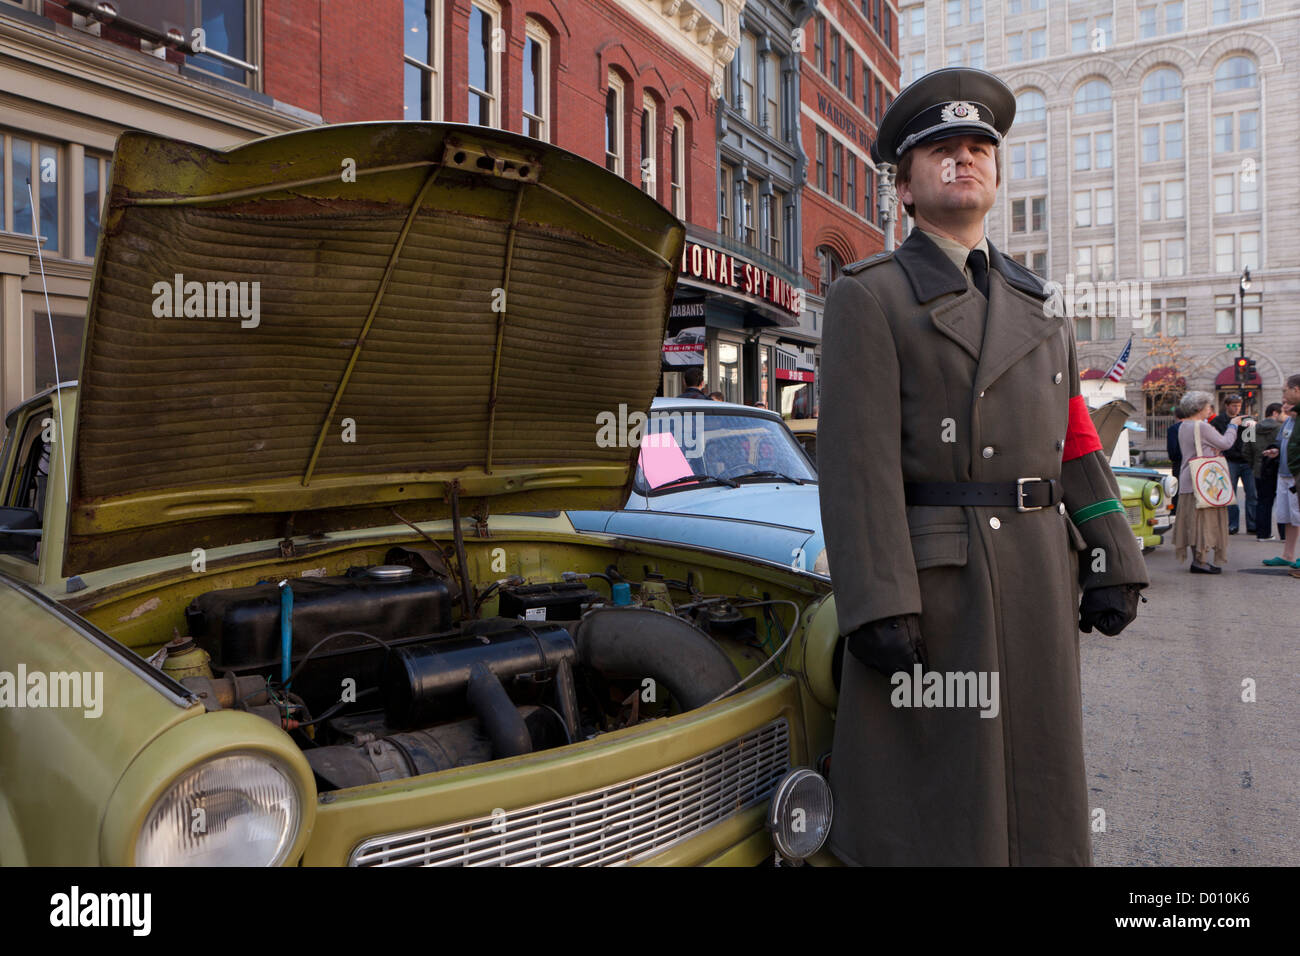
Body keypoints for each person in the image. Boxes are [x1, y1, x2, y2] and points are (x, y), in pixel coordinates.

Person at [817, 67, 1147, 867]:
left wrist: (1111, 554)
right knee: (941, 797)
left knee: (1036, 785)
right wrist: (875, 603)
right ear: (904, 185)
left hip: (1036, 573)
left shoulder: (1039, 306)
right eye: (939, 151)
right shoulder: (871, 297)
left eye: (977, 149)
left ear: (997, 175)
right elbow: (855, 465)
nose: (961, 162)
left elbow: (1075, 442)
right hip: (938, 588)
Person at [1172, 391, 1245, 573]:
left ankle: (1197, 560)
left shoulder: (1183, 426)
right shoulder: (1202, 427)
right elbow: (1226, 443)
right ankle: (1201, 561)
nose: (1210, 410)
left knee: (1192, 521)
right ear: (1199, 408)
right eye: (1208, 406)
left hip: (1189, 477)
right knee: (1204, 522)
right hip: (1204, 480)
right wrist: (1233, 426)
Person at [1263, 375, 1300, 567]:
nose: (1284, 404)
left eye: (1285, 395)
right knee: (1287, 516)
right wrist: (1275, 451)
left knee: (1298, 515)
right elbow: (1283, 443)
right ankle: (1288, 555)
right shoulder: (1287, 423)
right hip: (1283, 474)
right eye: (1282, 403)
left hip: (1296, 475)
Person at [1212, 393, 1256, 534]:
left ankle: (1252, 525)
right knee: (1231, 494)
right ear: (1227, 406)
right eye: (1234, 405)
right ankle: (1233, 524)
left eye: (1239, 405)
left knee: (1251, 494)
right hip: (1229, 460)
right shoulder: (1219, 421)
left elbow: (1251, 441)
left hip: (1247, 462)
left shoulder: (1247, 420)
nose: (1237, 408)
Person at [1250, 402, 1284, 541]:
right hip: (1277, 469)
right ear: (1275, 413)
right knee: (1282, 503)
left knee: (1262, 502)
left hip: (1259, 469)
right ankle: (1284, 534)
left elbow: (1246, 450)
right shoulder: (1281, 428)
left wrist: (1254, 464)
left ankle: (1262, 534)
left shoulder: (1252, 429)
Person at [1166, 404, 1187, 516]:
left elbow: (1172, 449)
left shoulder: (1173, 429)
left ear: (1176, 415)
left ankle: (1176, 511)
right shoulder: (1192, 427)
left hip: (1179, 462)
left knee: (1177, 487)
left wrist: (1173, 458)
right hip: (1191, 461)